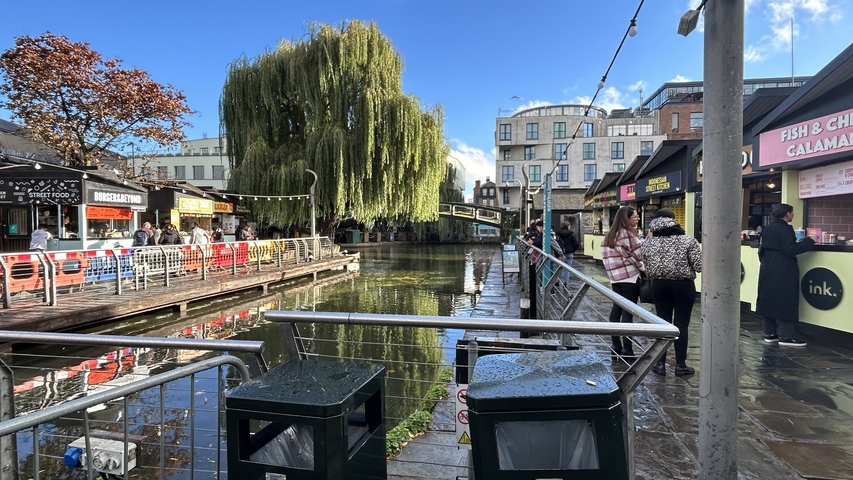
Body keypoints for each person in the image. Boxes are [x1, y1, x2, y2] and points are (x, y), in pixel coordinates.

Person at [642, 209, 702, 376]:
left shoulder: (647, 243)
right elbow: (699, 266)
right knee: (681, 324)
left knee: (663, 324)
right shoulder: (688, 241)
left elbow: (646, 266)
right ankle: (681, 365)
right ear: (674, 221)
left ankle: (660, 364)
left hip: (659, 285)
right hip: (683, 286)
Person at [755, 203, 816, 347]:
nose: (793, 215)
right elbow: (790, 249)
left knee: (767, 296)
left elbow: (760, 249)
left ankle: (770, 333)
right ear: (787, 213)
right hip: (783, 267)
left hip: (767, 266)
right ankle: (786, 336)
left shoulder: (767, 229)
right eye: (792, 212)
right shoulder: (786, 229)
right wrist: (809, 241)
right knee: (785, 297)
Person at [601, 206, 644, 359]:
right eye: (635, 217)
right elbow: (641, 255)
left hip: (615, 278)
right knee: (628, 313)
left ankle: (615, 345)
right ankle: (628, 349)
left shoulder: (608, 236)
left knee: (616, 310)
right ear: (627, 219)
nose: (637, 219)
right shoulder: (628, 234)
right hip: (630, 278)